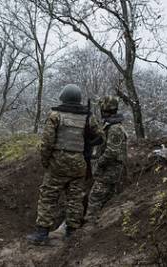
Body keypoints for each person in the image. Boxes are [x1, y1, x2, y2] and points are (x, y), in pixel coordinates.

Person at [27, 84, 103, 244]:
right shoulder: (87, 116)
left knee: (48, 196)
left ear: (64, 97)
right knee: (75, 198)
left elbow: (47, 142)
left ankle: (42, 234)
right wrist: (86, 145)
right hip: (78, 163)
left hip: (57, 163)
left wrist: (46, 161)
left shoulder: (55, 115)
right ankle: (72, 233)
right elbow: (100, 137)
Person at [83, 96, 128, 224]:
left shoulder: (115, 128)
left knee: (95, 198)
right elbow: (102, 140)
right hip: (110, 169)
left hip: (109, 170)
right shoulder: (111, 125)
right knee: (108, 198)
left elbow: (111, 152)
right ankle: (103, 225)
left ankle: (89, 226)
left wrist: (98, 163)